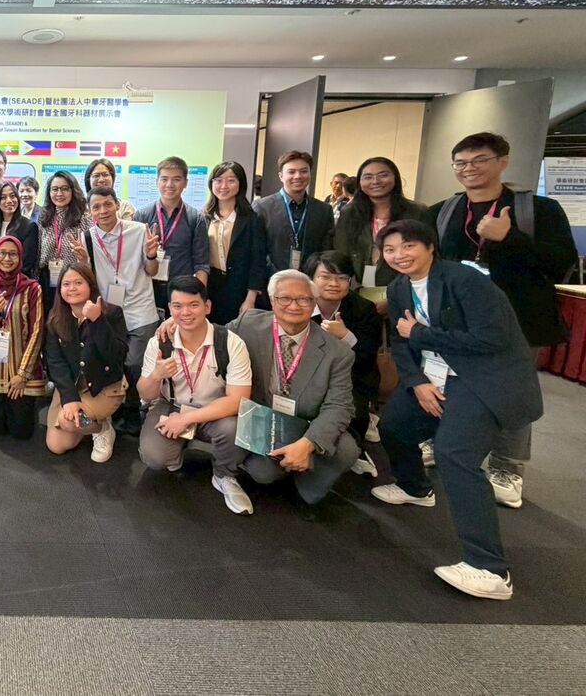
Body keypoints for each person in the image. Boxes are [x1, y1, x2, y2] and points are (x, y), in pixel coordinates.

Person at [370, 220, 543, 600]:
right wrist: (416, 382)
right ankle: (415, 487)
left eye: (408, 246)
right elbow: (400, 342)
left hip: (482, 378)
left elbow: (491, 337)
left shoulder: (465, 280)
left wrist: (421, 334)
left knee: (454, 455)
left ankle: (490, 569)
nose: (399, 255)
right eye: (390, 249)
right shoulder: (398, 288)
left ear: (430, 246)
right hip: (432, 376)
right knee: (394, 426)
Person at [426, 131, 575, 509]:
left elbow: (562, 263)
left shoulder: (538, 209)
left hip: (517, 319)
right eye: (461, 162)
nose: (469, 168)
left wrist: (510, 237)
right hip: (455, 318)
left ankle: (507, 467)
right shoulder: (444, 210)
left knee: (511, 392)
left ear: (503, 161)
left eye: (480, 160)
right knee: (447, 385)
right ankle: (441, 442)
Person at [225, 270, 357, 511]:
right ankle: (281, 468)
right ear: (272, 300)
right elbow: (212, 337)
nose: (294, 306)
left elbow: (339, 406)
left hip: (305, 422)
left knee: (346, 450)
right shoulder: (247, 324)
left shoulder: (338, 353)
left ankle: (306, 491)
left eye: (304, 299)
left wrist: (307, 444)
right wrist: (177, 323)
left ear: (314, 303)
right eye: (285, 298)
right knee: (264, 473)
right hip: (262, 417)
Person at [137, 277, 255, 515]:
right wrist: (156, 376)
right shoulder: (160, 342)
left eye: (193, 305)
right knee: (155, 457)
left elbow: (237, 401)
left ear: (207, 306)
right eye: (177, 306)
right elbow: (145, 394)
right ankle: (177, 449)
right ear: (169, 309)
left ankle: (224, 475)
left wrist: (186, 419)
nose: (185, 313)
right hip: (171, 405)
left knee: (233, 427)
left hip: (215, 409)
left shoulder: (229, 342)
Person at [74, 186, 161, 436]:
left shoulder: (139, 231)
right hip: (109, 313)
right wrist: (82, 262)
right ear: (90, 212)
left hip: (140, 309)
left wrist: (151, 256)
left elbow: (152, 271)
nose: (103, 211)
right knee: (113, 360)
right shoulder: (87, 238)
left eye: (107, 204)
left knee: (133, 363)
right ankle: (115, 410)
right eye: (96, 207)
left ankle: (133, 409)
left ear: (117, 205)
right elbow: (88, 279)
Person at [305, 251, 382, 477]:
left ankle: (356, 449)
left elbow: (368, 355)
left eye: (342, 278)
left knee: (355, 410)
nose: (334, 283)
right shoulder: (299, 305)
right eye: (325, 277)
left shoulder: (364, 309)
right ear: (310, 279)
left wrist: (346, 336)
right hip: (307, 374)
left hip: (352, 374)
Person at [44, 263, 127, 462]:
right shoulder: (56, 319)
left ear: (90, 284)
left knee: (68, 422)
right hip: (72, 386)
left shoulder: (111, 313)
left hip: (102, 387)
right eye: (66, 284)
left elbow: (117, 356)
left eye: (78, 283)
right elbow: (55, 363)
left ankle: (102, 428)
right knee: (57, 446)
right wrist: (70, 399)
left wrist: (97, 321)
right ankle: (89, 423)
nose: (72, 288)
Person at [0, 236, 46, 439]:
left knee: (21, 432)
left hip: (21, 371)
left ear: (20, 257)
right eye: (2, 253)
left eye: (13, 254)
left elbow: (37, 332)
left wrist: (22, 375)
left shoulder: (32, 288)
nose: (7, 258)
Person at [334, 156, 428, 298]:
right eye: (368, 177)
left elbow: (423, 257)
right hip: (356, 292)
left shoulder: (416, 212)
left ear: (395, 178)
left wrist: (394, 296)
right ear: (360, 182)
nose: (375, 181)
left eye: (383, 175)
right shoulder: (350, 213)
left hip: (403, 292)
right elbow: (341, 252)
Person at [133, 156, 209, 312]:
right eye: (164, 179)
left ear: (186, 183)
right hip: (148, 291)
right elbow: (135, 259)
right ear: (157, 182)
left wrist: (199, 298)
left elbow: (201, 264)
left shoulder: (196, 218)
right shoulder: (142, 216)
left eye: (176, 179)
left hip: (182, 293)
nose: (169, 184)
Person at [202, 161, 268, 324]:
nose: (223, 186)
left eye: (231, 180)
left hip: (239, 289)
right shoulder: (204, 217)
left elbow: (258, 261)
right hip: (211, 287)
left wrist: (250, 298)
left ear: (241, 184)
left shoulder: (252, 219)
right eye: (218, 180)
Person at [253, 150, 334, 277]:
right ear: (281, 176)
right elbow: (256, 249)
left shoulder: (323, 210)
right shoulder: (262, 207)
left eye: (304, 171)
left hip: (309, 281)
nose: (298, 176)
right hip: (270, 280)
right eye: (291, 172)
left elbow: (326, 251)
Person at [37, 170, 91, 308]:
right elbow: (38, 251)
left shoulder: (84, 218)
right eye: (55, 189)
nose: (59, 193)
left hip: (74, 278)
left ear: (73, 191)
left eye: (65, 189)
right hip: (47, 278)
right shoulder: (44, 217)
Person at [0, 181, 39, 280]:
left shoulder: (29, 226)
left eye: (12, 196)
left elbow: (27, 264)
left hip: (18, 283)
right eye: (3, 197)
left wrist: (6, 281)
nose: (9, 201)